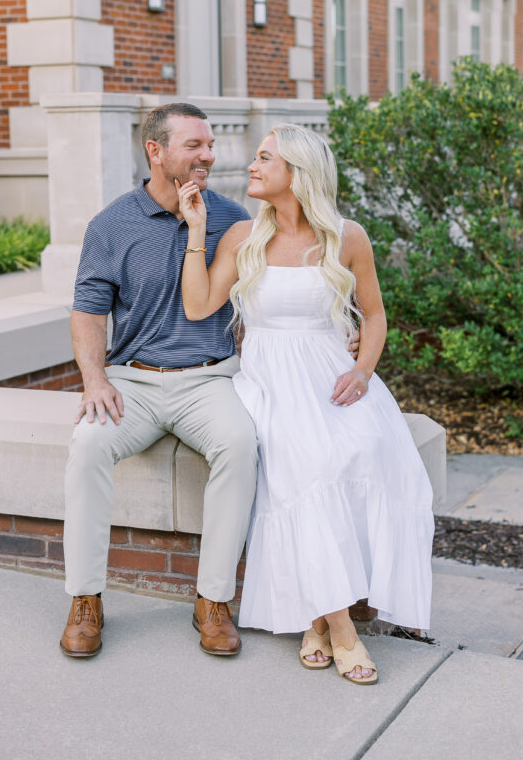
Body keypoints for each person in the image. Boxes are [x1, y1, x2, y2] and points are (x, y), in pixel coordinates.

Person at [176, 123, 434, 684]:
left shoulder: (347, 237)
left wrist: (364, 372)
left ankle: (317, 623)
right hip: (268, 380)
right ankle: (344, 633)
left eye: (265, 158)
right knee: (305, 467)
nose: (252, 165)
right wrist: (197, 230)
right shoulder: (243, 236)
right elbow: (198, 306)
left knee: (369, 454)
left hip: (333, 375)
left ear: (297, 172)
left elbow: (376, 315)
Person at [60, 102, 259, 659]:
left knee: (241, 444)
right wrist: (94, 379)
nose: (208, 156)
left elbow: (268, 294)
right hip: (135, 382)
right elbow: (87, 311)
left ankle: (213, 601)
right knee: (88, 446)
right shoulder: (112, 224)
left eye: (210, 145)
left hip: (209, 380)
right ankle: (85, 599)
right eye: (194, 146)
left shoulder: (231, 217)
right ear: (155, 150)